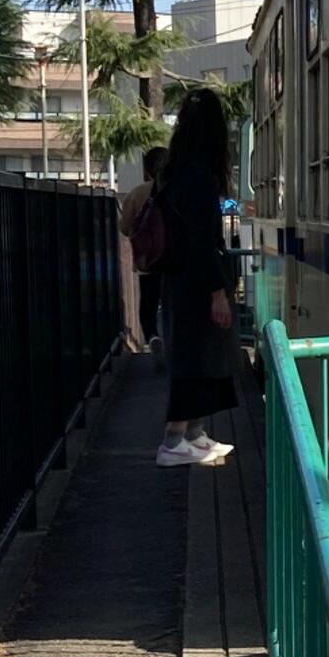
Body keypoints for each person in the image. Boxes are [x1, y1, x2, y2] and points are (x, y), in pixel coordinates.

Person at [155, 91, 238, 469]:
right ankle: (174, 439)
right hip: (198, 281)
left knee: (196, 356)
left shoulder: (172, 171)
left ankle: (193, 435)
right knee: (197, 358)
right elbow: (204, 239)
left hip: (177, 278)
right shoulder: (200, 176)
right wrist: (217, 291)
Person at [117, 145, 170, 355]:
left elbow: (124, 227)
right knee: (173, 303)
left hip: (148, 260)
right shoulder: (179, 191)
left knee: (148, 303)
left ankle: (152, 336)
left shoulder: (138, 194)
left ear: (146, 170)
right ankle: (175, 342)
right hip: (177, 261)